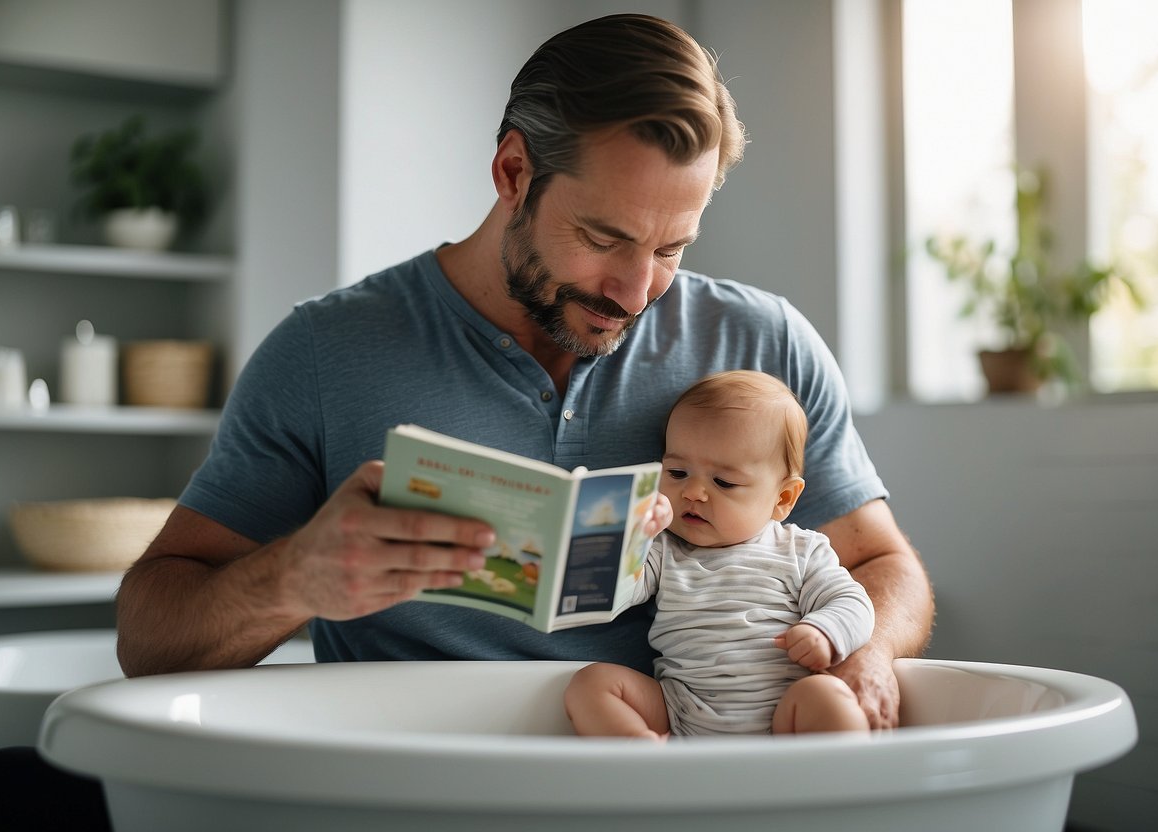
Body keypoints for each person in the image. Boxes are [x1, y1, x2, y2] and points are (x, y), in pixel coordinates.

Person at [114, 13, 931, 730]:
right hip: (420, 788)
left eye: (671, 248)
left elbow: (881, 566)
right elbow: (150, 642)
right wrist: (291, 578)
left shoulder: (765, 343)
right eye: (605, 237)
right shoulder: (324, 353)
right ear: (512, 173)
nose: (635, 289)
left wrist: (868, 655)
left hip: (678, 774)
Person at [565, 370, 874, 738]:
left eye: (723, 482)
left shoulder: (800, 550)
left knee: (828, 696)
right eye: (677, 472)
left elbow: (852, 601)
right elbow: (612, 597)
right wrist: (635, 537)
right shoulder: (665, 549)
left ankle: (835, 789)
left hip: (783, 715)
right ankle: (645, 765)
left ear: (783, 498)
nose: (693, 492)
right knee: (591, 684)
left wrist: (825, 630)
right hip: (681, 710)